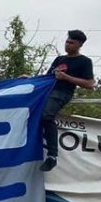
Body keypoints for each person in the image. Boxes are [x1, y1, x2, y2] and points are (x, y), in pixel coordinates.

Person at [40, 29, 95, 171]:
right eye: (67, 41)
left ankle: (52, 156)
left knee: (46, 116)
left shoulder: (84, 61)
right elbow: (47, 78)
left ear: (80, 44)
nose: (68, 45)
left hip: (62, 93)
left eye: (71, 43)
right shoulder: (59, 60)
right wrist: (29, 79)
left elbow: (90, 84)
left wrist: (67, 78)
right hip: (48, 91)